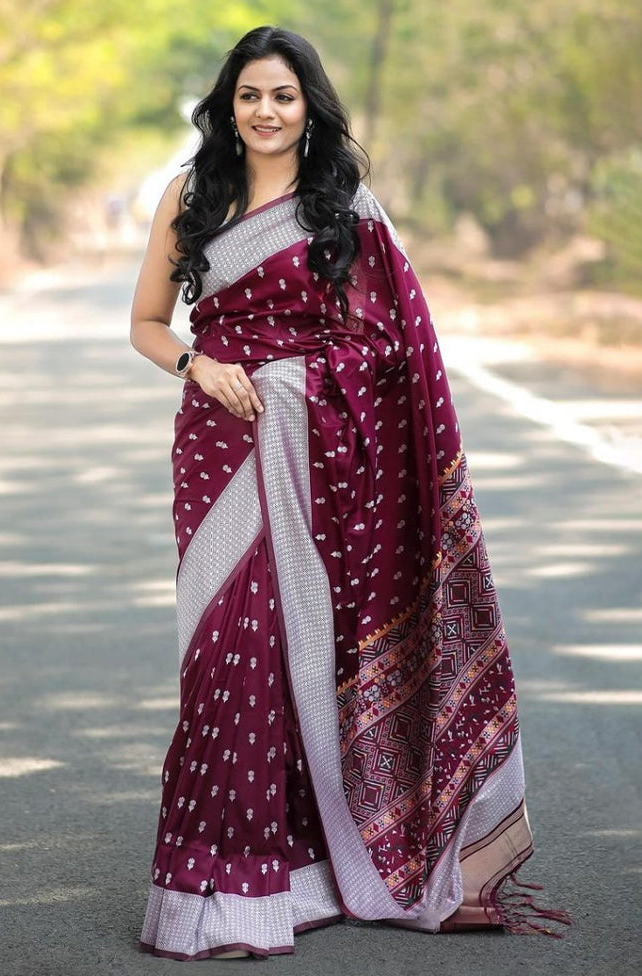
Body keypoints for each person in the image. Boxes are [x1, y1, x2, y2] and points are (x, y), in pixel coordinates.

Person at [130, 25, 570, 962]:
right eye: (250, 95)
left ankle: (305, 876)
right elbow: (145, 323)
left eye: (283, 96)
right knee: (225, 655)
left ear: (309, 105)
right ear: (226, 104)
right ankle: (215, 891)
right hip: (219, 448)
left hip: (321, 455)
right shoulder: (191, 194)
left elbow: (393, 348)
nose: (265, 111)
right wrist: (199, 364)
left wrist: (299, 383)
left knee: (306, 654)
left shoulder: (345, 207)